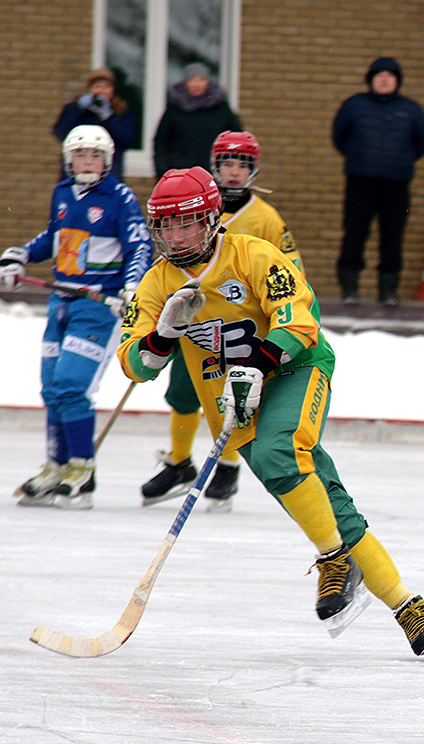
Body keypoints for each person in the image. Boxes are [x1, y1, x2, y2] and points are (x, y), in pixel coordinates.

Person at [118, 166, 424, 658]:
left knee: (279, 451)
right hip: (230, 401)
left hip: (293, 370)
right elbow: (134, 364)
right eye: (165, 225)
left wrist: (258, 362)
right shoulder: (156, 284)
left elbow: (297, 318)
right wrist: (163, 334)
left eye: (186, 222)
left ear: (211, 219)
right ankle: (407, 605)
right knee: (324, 503)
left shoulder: (252, 253)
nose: (176, 235)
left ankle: (334, 559)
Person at [141, 130, 306, 512]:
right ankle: (180, 462)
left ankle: (228, 467)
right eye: (226, 164)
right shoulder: (191, 207)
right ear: (215, 167)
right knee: (183, 391)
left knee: (231, 397)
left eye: (241, 165)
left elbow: (291, 272)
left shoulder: (265, 219)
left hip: (242, 326)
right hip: (193, 323)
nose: (233, 172)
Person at [0, 125, 152, 509]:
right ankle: (55, 467)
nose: (87, 162)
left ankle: (81, 471)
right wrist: (22, 256)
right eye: (80, 155)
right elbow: (54, 235)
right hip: (61, 301)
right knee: (51, 389)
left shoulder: (121, 198)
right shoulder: (62, 193)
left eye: (95, 155)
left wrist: (133, 287)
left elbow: (139, 247)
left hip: (99, 306)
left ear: (107, 160)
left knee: (71, 385)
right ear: (69, 159)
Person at [331, 56, 424, 306]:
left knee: (393, 237)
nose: (384, 80)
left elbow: (423, 142)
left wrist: (402, 161)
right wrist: (358, 158)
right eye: (379, 75)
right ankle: (349, 288)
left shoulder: (411, 109)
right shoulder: (354, 106)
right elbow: (339, 136)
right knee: (354, 234)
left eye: (390, 76)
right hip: (360, 183)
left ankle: (388, 291)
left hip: (397, 185)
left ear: (397, 81)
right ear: (370, 80)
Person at [152, 63, 242, 176]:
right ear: (186, 83)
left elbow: (236, 139)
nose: (197, 84)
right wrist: (162, 172)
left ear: (207, 82)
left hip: (215, 174)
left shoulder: (221, 109)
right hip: (181, 175)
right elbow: (161, 142)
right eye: (193, 80)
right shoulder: (174, 110)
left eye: (201, 80)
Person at [53, 67, 138, 180]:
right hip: (75, 175)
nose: (102, 91)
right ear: (89, 89)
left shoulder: (121, 111)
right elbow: (61, 132)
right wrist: (79, 109)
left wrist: (108, 117)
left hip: (110, 174)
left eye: (107, 87)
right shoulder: (74, 108)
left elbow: (127, 139)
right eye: (98, 87)